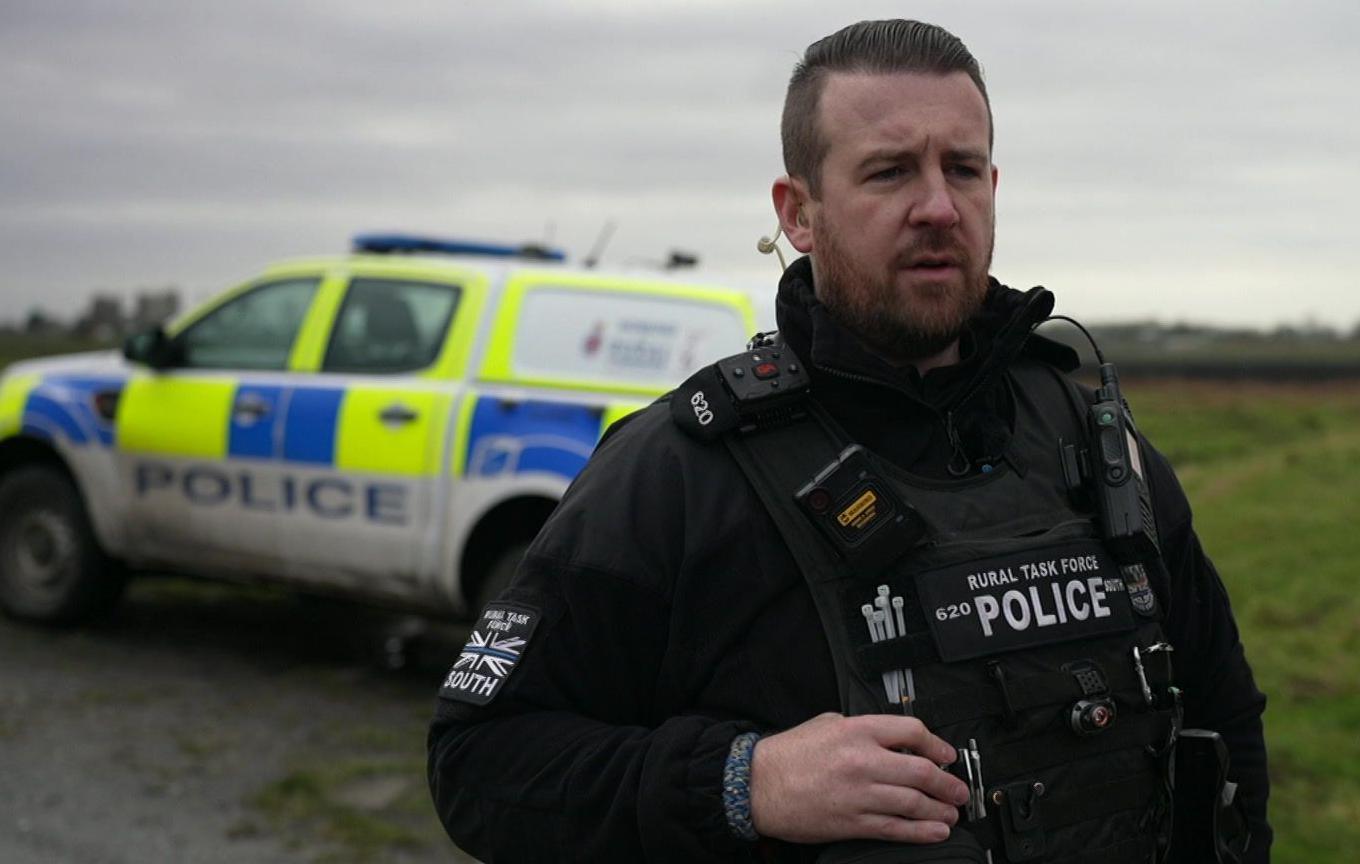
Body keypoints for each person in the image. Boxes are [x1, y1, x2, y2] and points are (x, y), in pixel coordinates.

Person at [428, 19, 1269, 864]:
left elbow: (1225, 725)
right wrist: (745, 782)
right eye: (890, 171)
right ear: (799, 213)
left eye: (963, 169)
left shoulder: (1092, 443)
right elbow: (480, 763)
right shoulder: (680, 474)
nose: (938, 206)